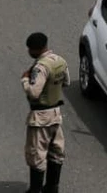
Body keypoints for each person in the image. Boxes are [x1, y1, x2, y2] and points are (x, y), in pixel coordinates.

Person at [21, 32, 70, 193]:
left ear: (36, 49)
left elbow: (34, 92)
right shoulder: (60, 61)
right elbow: (66, 82)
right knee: (56, 152)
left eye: (30, 49)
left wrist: (25, 81)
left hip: (40, 117)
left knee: (37, 155)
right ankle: (52, 187)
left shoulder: (41, 67)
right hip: (56, 114)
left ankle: (35, 190)